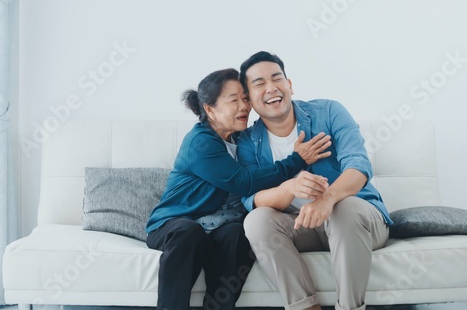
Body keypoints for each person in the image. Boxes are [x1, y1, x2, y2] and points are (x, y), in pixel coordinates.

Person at [145, 68, 329, 310]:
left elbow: (262, 178)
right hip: (175, 225)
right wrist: (296, 160)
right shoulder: (200, 141)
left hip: (217, 228)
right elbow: (243, 181)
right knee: (190, 232)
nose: (244, 106)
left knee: (237, 233)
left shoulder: (242, 141)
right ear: (209, 109)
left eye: (245, 98)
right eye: (234, 100)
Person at [237, 51, 393, 310]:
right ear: (250, 99)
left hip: (358, 221)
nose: (271, 88)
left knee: (344, 208)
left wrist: (327, 200)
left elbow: (359, 165)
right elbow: (251, 197)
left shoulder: (330, 111)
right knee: (256, 220)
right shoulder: (248, 142)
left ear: (290, 85)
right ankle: (305, 307)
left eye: (277, 79)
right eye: (259, 84)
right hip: (302, 228)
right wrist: (289, 187)